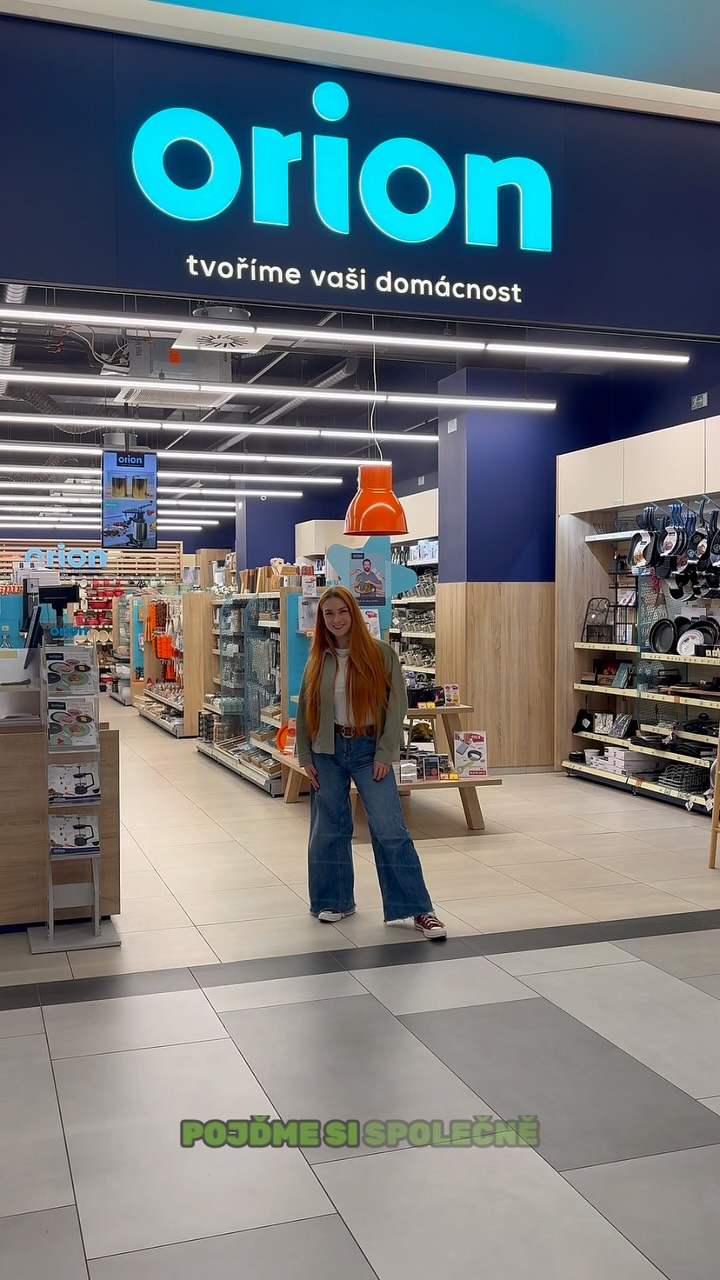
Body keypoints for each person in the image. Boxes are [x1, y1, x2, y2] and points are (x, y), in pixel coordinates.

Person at [295, 585, 447, 939]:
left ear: (354, 613)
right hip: (327, 751)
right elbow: (305, 708)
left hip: (368, 750)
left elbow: (397, 706)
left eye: (342, 612)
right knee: (327, 830)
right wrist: (305, 755)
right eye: (328, 614)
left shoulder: (381, 654)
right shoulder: (318, 658)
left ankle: (419, 909)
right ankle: (334, 901)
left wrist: (385, 752)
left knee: (390, 829)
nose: (336, 620)